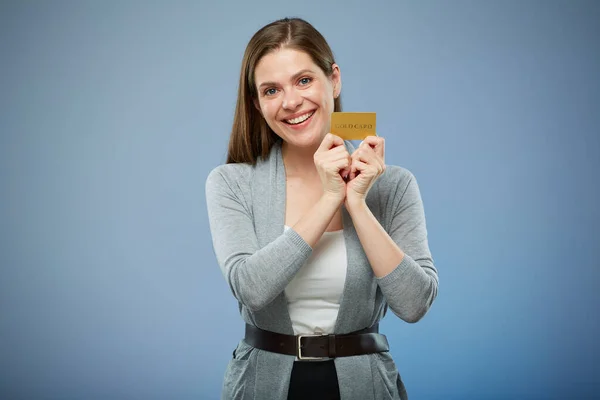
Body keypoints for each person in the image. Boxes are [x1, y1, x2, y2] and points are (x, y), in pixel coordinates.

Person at [205, 17, 438, 400]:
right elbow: (251, 289)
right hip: (262, 384)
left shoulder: (394, 185)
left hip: (365, 386)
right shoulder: (231, 183)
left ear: (334, 80)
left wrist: (357, 203)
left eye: (303, 80)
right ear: (257, 103)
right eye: (271, 90)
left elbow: (414, 305)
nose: (291, 101)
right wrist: (329, 197)